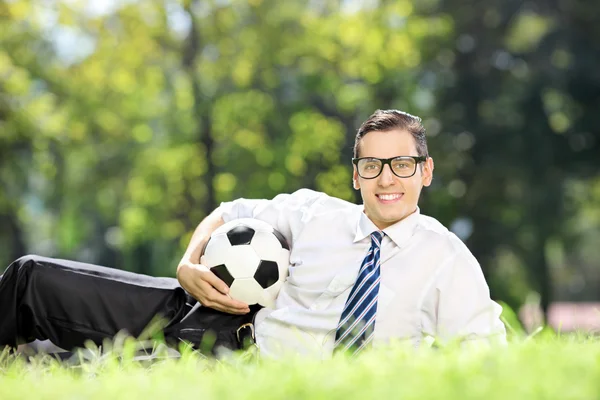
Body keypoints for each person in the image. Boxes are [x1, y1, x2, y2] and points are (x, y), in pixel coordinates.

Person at [0, 109, 505, 358]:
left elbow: (486, 355)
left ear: (426, 170)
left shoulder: (447, 259)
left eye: (401, 163)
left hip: (248, 364)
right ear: (356, 175)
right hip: (208, 317)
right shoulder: (315, 213)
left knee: (106, 367)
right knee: (30, 280)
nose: (387, 178)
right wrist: (189, 261)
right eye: (372, 165)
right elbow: (228, 209)